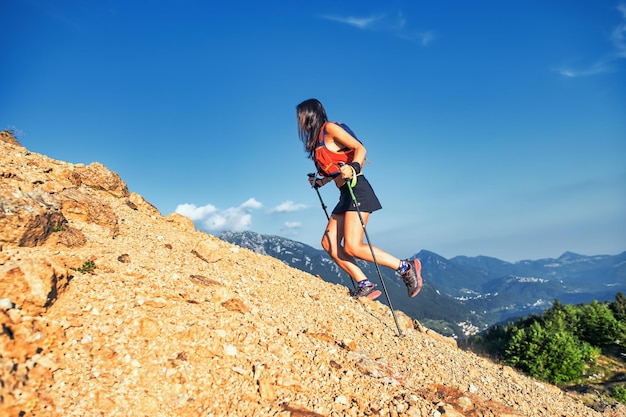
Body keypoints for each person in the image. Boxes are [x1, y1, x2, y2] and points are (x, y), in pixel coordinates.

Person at [296, 98, 422, 300]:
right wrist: (320, 181)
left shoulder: (330, 129)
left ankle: (405, 267)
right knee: (328, 244)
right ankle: (365, 284)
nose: (299, 122)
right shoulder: (316, 142)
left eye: (300, 116)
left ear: (310, 115)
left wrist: (353, 167)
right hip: (345, 193)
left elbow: (360, 148)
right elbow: (336, 169)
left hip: (358, 189)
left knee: (352, 246)